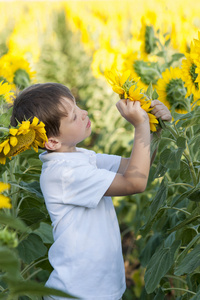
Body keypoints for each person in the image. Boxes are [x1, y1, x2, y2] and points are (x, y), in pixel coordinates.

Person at [10, 82, 172, 300]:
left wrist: (154, 128)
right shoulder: (63, 173)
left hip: (99, 289)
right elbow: (135, 182)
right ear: (52, 141)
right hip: (79, 293)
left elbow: (135, 166)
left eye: (77, 107)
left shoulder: (80, 157)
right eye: (74, 116)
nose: (83, 113)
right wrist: (140, 126)